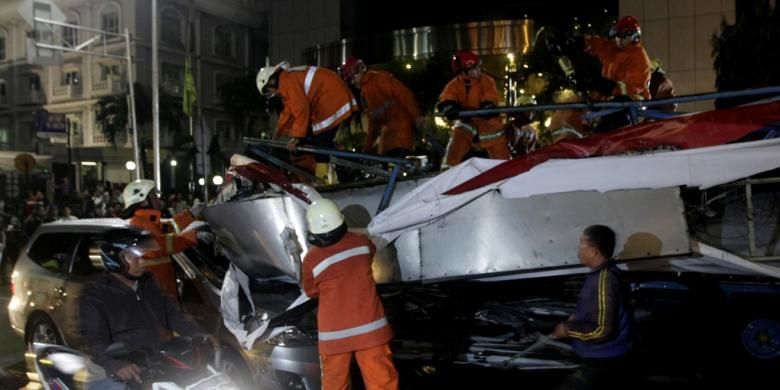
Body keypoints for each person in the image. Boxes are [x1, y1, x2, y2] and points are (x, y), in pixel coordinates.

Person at [80, 228, 210, 389]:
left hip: (150, 365)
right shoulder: (96, 293)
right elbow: (95, 339)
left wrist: (198, 334)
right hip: (112, 372)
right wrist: (114, 364)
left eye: (141, 256)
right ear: (114, 258)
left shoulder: (147, 283)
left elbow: (171, 314)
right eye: (132, 257)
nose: (141, 262)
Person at [302, 199, 399, 390]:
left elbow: (311, 291)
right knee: (383, 383)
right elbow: (371, 252)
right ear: (341, 221)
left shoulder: (311, 259)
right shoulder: (361, 243)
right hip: (370, 331)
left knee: (335, 385)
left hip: (334, 337)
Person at [552, 225, 634, 390]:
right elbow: (599, 309)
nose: (578, 250)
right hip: (599, 352)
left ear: (594, 252)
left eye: (581, 246)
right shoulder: (601, 274)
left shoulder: (604, 280)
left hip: (603, 356)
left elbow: (602, 330)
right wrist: (577, 317)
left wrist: (566, 329)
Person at [256, 61, 358, 180]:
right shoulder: (286, 81)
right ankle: (341, 170)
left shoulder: (287, 82)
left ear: (270, 82)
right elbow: (289, 111)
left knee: (320, 142)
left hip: (330, 98)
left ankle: (329, 178)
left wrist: (297, 138)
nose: (272, 94)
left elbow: (301, 109)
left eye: (268, 91)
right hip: (329, 96)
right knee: (317, 141)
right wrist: (277, 133)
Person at [120, 179, 212, 301]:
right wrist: (194, 236)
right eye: (153, 195)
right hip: (155, 285)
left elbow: (169, 228)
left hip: (158, 282)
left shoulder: (147, 221)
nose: (157, 198)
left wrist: (190, 214)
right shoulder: (140, 223)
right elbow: (162, 244)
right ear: (143, 202)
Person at [436, 50, 510, 169]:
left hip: (489, 125)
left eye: (478, 67)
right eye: (473, 69)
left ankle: (506, 172)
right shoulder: (454, 85)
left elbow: (491, 96)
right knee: (458, 136)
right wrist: (448, 106)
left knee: (501, 159)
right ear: (463, 72)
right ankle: (447, 171)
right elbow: (446, 98)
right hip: (468, 122)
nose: (477, 71)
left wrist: (488, 105)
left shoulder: (486, 80)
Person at [339, 56, 424, 157]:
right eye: (350, 80)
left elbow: (404, 95)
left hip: (398, 136)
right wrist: (366, 149)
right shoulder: (366, 91)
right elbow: (374, 123)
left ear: (360, 70)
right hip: (394, 138)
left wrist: (417, 116)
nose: (352, 82)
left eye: (352, 78)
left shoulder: (379, 80)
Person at [584, 16, 652, 101]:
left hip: (633, 105)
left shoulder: (639, 56)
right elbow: (599, 45)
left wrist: (610, 87)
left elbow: (634, 87)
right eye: (617, 35)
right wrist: (582, 42)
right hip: (612, 101)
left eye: (623, 35)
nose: (619, 39)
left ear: (634, 36)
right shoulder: (613, 49)